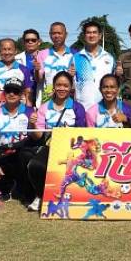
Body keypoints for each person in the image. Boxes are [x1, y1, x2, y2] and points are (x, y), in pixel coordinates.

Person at [27, 72, 87, 212]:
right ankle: (40, 196)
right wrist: (33, 124)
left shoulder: (77, 108)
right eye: (59, 85)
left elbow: (82, 133)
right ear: (53, 87)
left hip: (72, 150)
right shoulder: (44, 107)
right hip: (50, 147)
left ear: (71, 87)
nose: (62, 88)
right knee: (34, 165)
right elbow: (37, 136)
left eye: (66, 85)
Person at [0, 77, 36, 204]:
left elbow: (32, 140)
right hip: (2, 157)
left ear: (22, 94)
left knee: (26, 156)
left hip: (21, 156)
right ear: (4, 93)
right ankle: (9, 186)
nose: (12, 94)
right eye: (8, 91)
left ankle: (24, 188)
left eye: (16, 91)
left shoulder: (30, 113)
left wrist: (8, 147)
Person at [70, 20, 115, 110]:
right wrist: (70, 76)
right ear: (84, 36)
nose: (91, 35)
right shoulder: (76, 58)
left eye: (94, 32)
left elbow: (114, 84)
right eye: (88, 33)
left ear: (100, 36)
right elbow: (71, 85)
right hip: (83, 109)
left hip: (104, 109)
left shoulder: (109, 58)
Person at [0, 38, 33, 109]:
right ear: (0, 52)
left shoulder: (24, 69)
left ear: (15, 51)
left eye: (9, 49)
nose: (7, 52)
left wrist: (29, 109)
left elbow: (28, 91)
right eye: (4, 49)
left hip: (19, 111)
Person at [35, 22, 74, 106]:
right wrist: (36, 70)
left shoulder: (74, 54)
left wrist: (73, 76)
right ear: (50, 35)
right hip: (48, 97)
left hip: (68, 98)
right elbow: (39, 80)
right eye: (53, 33)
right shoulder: (42, 54)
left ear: (66, 34)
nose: (56, 36)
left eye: (59, 33)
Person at [14, 29, 41, 104]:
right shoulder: (16, 59)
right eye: (27, 40)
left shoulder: (46, 57)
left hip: (41, 96)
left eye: (33, 40)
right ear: (23, 42)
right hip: (23, 98)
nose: (30, 42)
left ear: (39, 42)